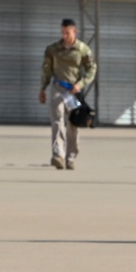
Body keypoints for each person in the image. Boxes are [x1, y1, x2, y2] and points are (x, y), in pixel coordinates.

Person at [39, 19, 96, 171]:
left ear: (75, 32)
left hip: (73, 92)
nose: (64, 36)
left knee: (73, 124)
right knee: (57, 121)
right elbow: (46, 69)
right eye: (62, 33)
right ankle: (58, 155)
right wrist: (43, 88)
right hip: (58, 88)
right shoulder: (53, 49)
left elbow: (92, 69)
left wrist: (81, 84)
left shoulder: (82, 49)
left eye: (67, 33)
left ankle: (71, 157)